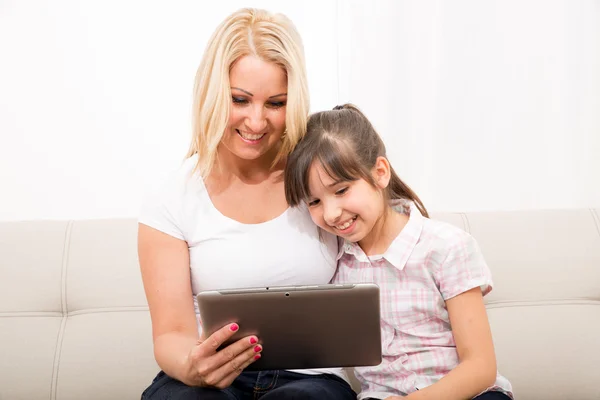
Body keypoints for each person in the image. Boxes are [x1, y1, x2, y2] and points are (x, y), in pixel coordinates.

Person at [137, 8, 356, 400]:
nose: (256, 122)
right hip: (207, 382)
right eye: (240, 99)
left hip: (310, 381)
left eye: (275, 103)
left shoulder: (320, 182)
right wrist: (192, 365)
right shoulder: (172, 198)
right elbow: (171, 332)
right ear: (213, 94)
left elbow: (384, 231)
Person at [284, 104, 514, 400]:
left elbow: (480, 366)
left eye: (341, 191)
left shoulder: (446, 247)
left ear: (380, 173)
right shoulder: (333, 261)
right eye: (314, 202)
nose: (331, 213)